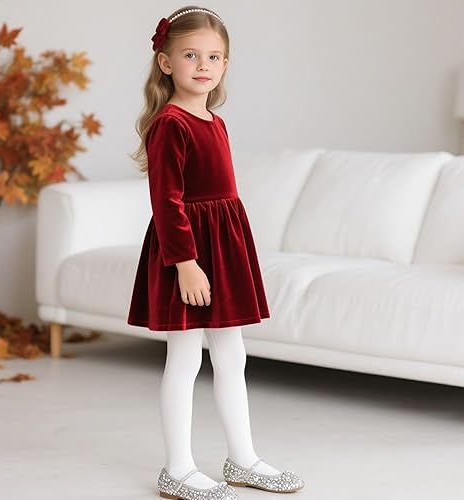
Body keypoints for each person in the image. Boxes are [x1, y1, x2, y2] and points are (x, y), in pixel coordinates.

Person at [127, 6, 305, 499]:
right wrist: (185, 264)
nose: (203, 65)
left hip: (223, 248)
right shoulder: (170, 124)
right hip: (187, 252)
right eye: (190, 55)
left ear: (225, 64)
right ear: (166, 63)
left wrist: (225, 252)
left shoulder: (215, 122)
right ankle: (177, 468)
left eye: (213, 56)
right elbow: (167, 202)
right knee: (184, 358)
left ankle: (242, 458)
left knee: (232, 354)